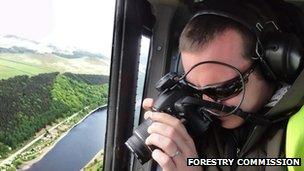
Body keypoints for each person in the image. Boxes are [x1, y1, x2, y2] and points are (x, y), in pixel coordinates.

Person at [141, 1, 304, 171]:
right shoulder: (200, 131)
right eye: (194, 89)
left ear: (271, 65)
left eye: (223, 89)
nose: (207, 103)